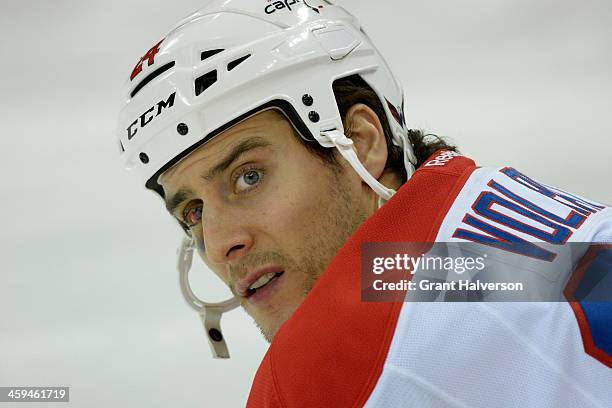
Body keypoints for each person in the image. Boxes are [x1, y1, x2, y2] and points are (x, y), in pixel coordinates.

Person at [117, 1, 611, 406]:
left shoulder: (321, 372)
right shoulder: (472, 228)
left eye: (248, 176)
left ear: (360, 141)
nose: (221, 242)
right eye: (193, 213)